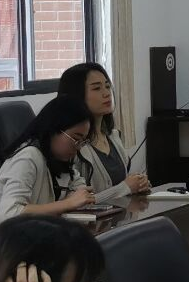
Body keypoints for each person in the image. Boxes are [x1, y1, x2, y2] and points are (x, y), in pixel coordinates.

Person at [0, 94, 98, 247]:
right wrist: (67, 203)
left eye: (83, 141)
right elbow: (10, 214)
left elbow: (79, 188)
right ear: (54, 128)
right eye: (75, 138)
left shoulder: (59, 158)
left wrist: (79, 196)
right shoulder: (28, 157)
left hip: (26, 243)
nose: (78, 147)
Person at [57, 63, 151, 204]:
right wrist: (126, 187)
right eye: (96, 88)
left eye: (107, 86)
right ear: (76, 95)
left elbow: (123, 187)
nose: (107, 93)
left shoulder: (113, 136)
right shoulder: (71, 145)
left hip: (121, 215)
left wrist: (139, 185)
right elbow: (75, 202)